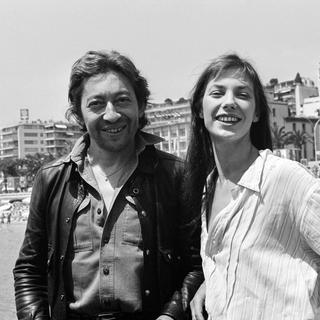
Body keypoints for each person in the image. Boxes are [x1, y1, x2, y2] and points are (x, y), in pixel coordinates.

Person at [13, 50, 202, 320]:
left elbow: (198, 266)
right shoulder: (52, 179)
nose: (111, 115)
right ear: (78, 112)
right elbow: (29, 270)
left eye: (122, 100)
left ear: (141, 106)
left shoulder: (174, 175)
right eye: (96, 104)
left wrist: (170, 316)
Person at [184, 53, 320, 319]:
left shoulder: (284, 178)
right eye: (218, 93)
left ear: (256, 113)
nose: (229, 103)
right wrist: (210, 285)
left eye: (242, 95)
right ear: (200, 109)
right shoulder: (206, 189)